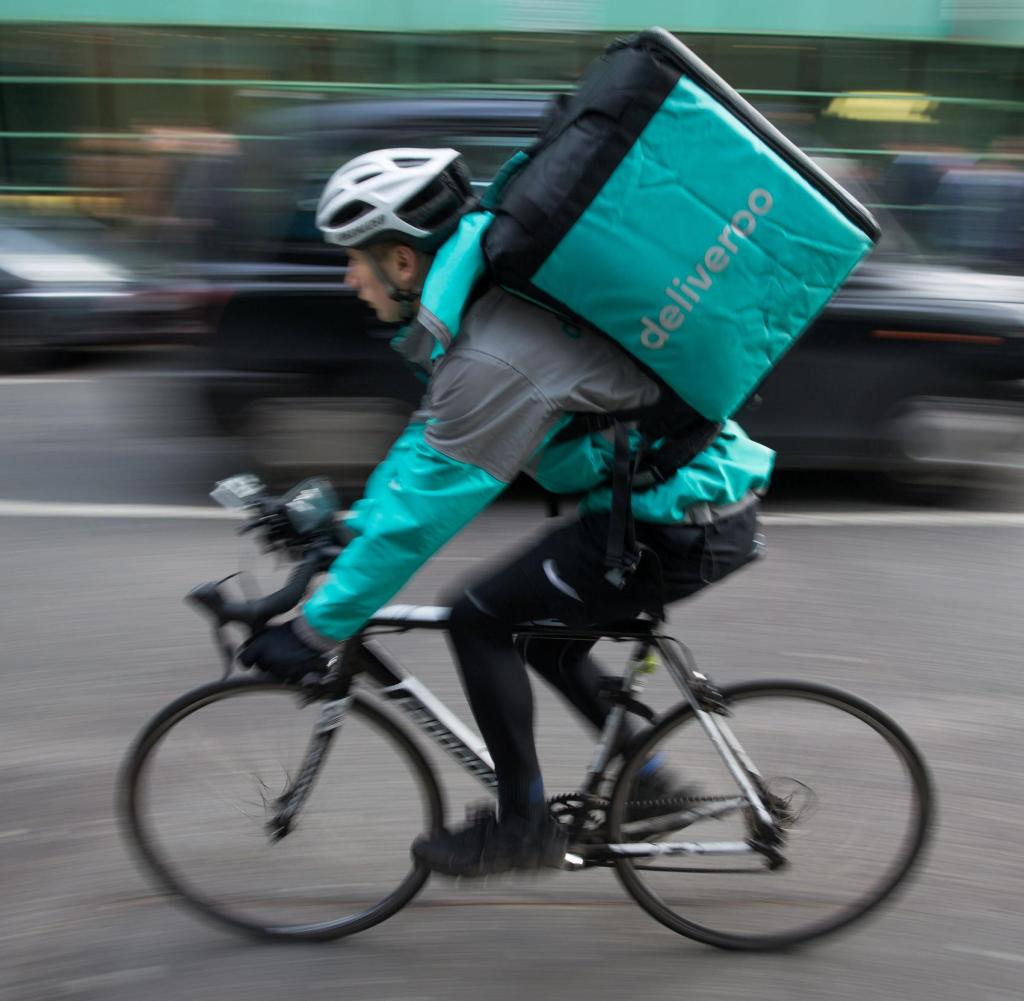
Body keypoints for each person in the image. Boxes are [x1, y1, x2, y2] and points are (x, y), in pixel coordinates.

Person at [239, 147, 774, 877]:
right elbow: (430, 445)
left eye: (353, 260)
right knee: (538, 632)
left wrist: (313, 627)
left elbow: (429, 507)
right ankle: (649, 785)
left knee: (479, 616)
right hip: (677, 505)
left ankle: (525, 825)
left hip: (680, 522)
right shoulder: (482, 307)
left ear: (401, 260)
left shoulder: (496, 351)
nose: (347, 277)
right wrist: (350, 531)